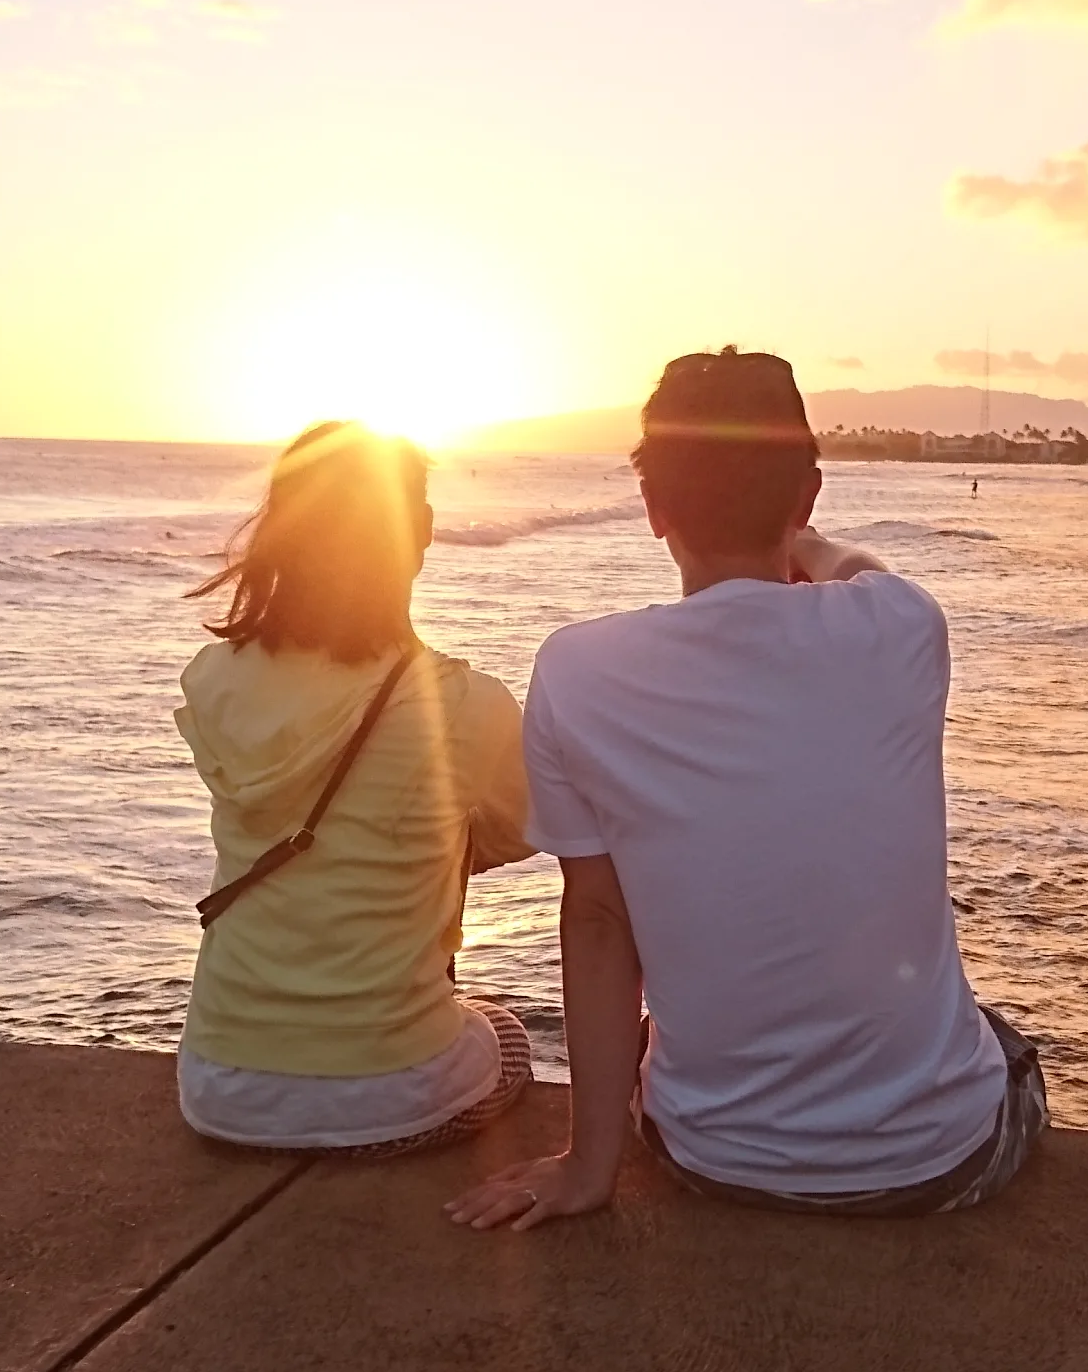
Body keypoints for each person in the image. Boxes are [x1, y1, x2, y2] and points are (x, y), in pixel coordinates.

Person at [446, 349, 1045, 1230]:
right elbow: (866, 573)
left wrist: (587, 1165)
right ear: (807, 496)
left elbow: (601, 923)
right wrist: (812, 547)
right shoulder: (901, 627)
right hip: (936, 1161)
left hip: (714, 1158)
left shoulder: (576, 672)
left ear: (653, 509)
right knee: (999, 1044)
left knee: (670, 1029)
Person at [174, 421, 533, 1154]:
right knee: (506, 1032)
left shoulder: (214, 680)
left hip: (216, 1087)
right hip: (385, 1093)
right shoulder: (464, 706)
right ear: (422, 531)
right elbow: (525, 828)